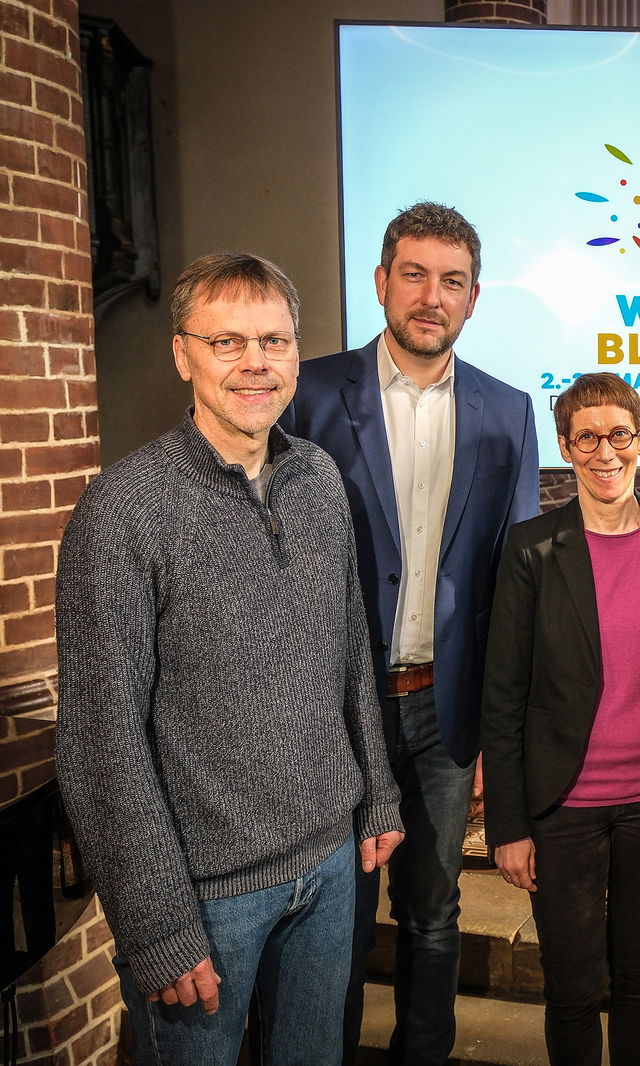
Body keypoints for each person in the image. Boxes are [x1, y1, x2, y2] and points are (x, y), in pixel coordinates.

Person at [54, 252, 403, 1064]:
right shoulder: (124, 511)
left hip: (329, 869)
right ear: (183, 355)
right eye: (227, 342)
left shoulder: (318, 479)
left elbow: (349, 652)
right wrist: (157, 924)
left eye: (274, 341)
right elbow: (100, 741)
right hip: (206, 897)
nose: (256, 363)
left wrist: (376, 793)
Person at [282, 202, 541, 1064]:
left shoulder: (507, 411)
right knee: (338, 921)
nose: (433, 297)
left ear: (473, 298)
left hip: (444, 710)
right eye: (416, 275)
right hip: (335, 711)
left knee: (433, 914)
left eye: (452, 281)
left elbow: (512, 583)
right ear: (382, 282)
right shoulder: (308, 394)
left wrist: (500, 730)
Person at [479, 373, 640, 1066]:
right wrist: (508, 825)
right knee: (573, 987)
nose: (604, 452)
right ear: (565, 447)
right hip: (563, 808)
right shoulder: (531, 547)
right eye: (586, 438)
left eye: (618, 434)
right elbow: (504, 694)